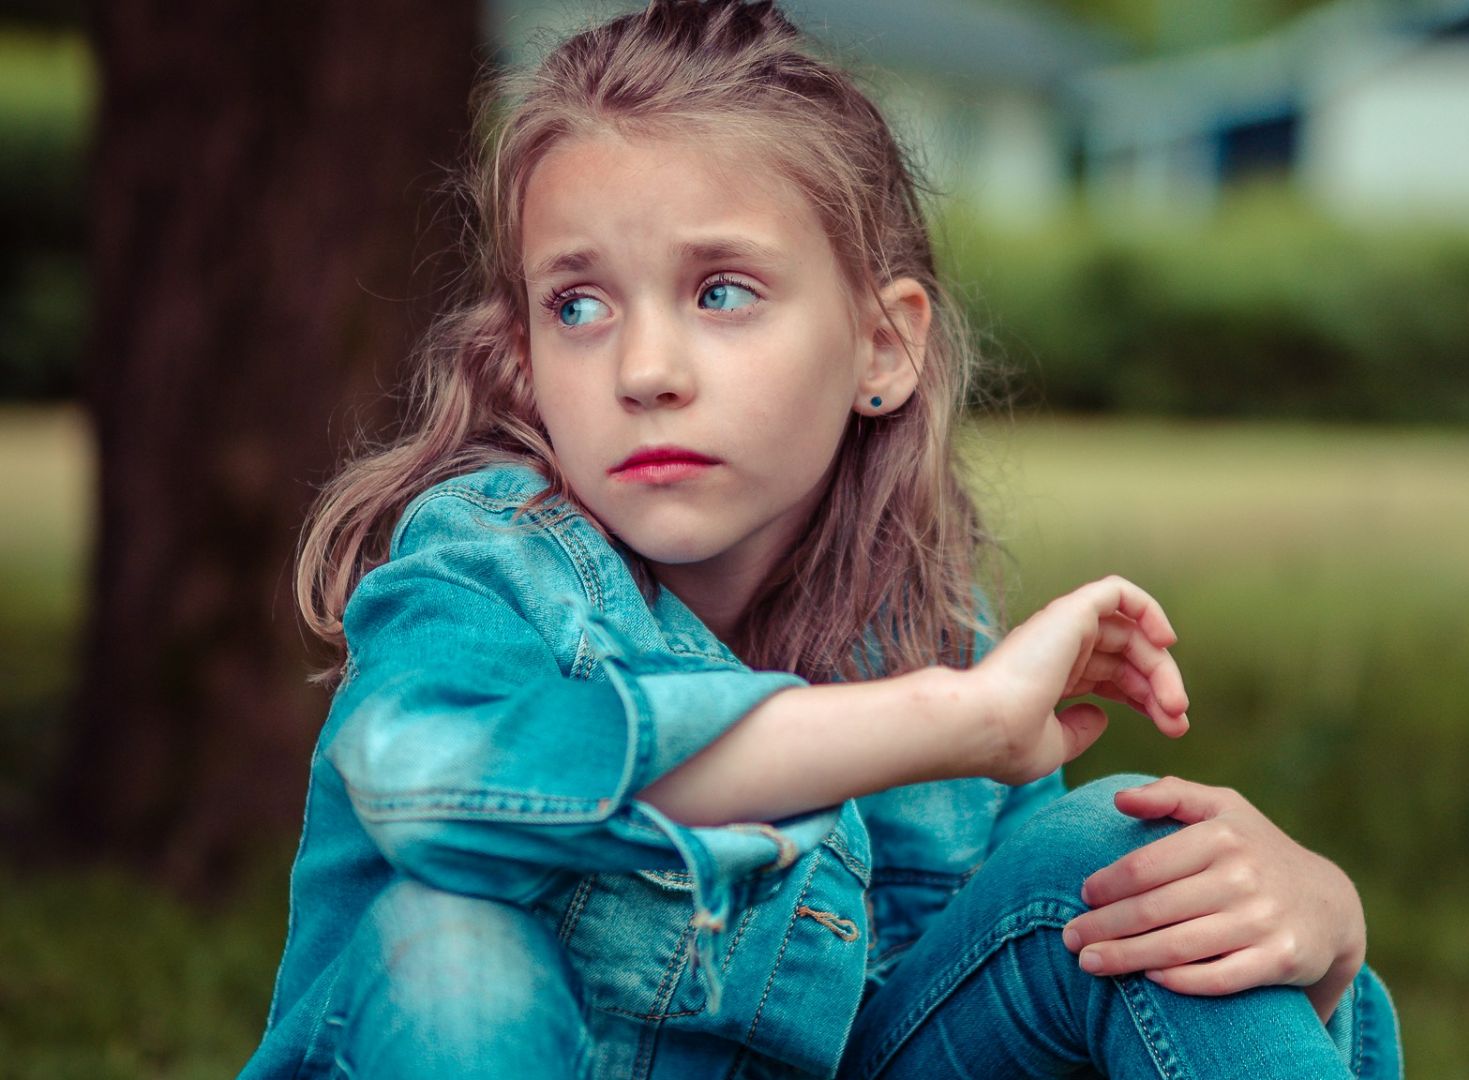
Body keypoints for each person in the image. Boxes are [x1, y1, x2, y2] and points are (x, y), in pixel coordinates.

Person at [240, 2, 1402, 1077]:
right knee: (450, 948)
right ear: (525, 356)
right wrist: (953, 724)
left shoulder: (920, 632)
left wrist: (1328, 922)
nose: (644, 372)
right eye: (579, 306)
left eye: (722, 292)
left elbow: (1045, 935)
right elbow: (422, 780)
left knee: (1138, 870)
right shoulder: (485, 566)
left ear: (882, 349)